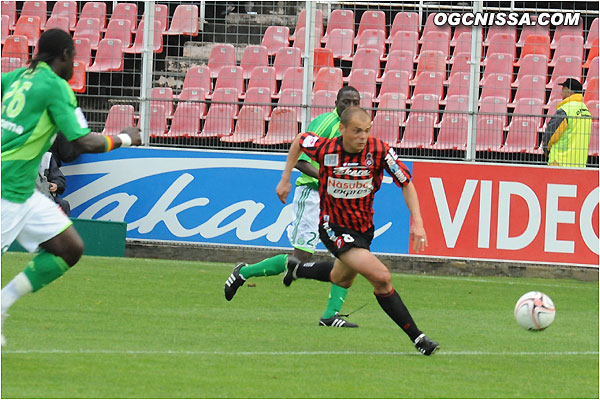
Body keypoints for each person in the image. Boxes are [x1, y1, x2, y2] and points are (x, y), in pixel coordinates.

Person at [1, 29, 142, 345]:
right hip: (6, 191)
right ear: (64, 56)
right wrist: (125, 138)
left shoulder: (17, 78)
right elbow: (83, 141)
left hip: (23, 192)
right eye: (74, 58)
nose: (75, 65)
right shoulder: (55, 87)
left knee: (69, 249)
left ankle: (3, 303)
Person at [277, 107, 438, 355]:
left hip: (363, 228)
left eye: (366, 130)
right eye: (356, 131)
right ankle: (419, 339)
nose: (362, 136)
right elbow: (300, 140)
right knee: (381, 277)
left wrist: (417, 222)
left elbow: (406, 182)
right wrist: (285, 177)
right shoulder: (325, 148)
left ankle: (297, 269)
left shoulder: (379, 150)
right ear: (342, 129)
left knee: (340, 277)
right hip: (333, 226)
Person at [224, 86, 362, 328]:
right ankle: (243, 272)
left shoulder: (356, 130)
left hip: (337, 201)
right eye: (345, 102)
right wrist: (328, 178)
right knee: (299, 258)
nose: (350, 106)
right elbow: (300, 159)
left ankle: (331, 315)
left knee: (349, 257)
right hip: (312, 195)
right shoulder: (324, 124)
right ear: (336, 102)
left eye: (355, 102)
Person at [542, 78, 592, 168]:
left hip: (560, 162)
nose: (561, 93)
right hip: (580, 163)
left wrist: (546, 149)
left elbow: (551, 135)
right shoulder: (586, 110)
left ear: (570, 91)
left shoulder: (565, 110)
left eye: (563, 89)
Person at [37, 151, 71, 215]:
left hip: (44, 196)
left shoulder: (46, 157)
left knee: (63, 204)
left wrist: (56, 185)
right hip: (23, 197)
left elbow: (59, 179)